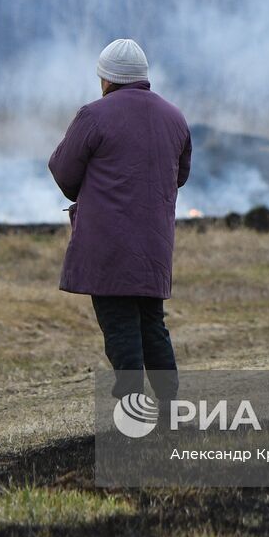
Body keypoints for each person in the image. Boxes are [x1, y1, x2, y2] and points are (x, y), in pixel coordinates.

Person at [47, 38, 192, 406]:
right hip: (155, 242)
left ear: (107, 80)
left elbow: (64, 172)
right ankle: (168, 404)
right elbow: (181, 175)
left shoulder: (93, 116)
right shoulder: (175, 118)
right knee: (152, 323)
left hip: (107, 243)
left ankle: (130, 404)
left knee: (120, 323)